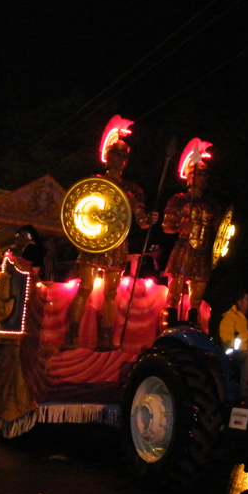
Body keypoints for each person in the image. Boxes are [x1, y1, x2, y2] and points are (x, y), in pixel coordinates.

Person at [64, 139, 158, 351]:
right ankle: (72, 335)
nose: (121, 159)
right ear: (107, 157)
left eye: (125, 156)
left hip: (117, 244)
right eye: (117, 154)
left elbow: (141, 221)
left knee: (111, 293)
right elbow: (80, 212)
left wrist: (149, 219)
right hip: (94, 240)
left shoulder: (132, 190)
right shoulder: (94, 182)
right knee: (85, 287)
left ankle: (106, 338)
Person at [162, 140, 222, 328]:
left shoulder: (212, 204)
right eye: (200, 174)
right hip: (183, 248)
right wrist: (180, 227)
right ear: (190, 176)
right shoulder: (179, 199)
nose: (203, 178)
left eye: (205, 175)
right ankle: (169, 328)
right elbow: (166, 226)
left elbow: (220, 230)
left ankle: (192, 329)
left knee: (195, 300)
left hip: (202, 252)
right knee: (174, 296)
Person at [218, 292, 248, 404]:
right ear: (239, 302)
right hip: (233, 354)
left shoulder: (246, 320)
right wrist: (246, 347)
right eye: (247, 300)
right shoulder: (229, 318)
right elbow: (227, 340)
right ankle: (246, 396)